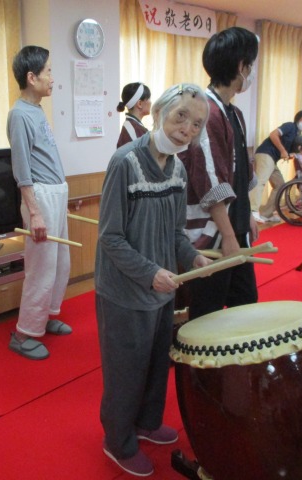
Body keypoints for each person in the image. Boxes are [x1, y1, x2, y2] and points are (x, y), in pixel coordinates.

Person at [96, 83, 212, 477]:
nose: (186, 129)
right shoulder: (124, 163)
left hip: (163, 289)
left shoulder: (178, 167)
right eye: (181, 117)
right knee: (126, 371)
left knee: (156, 364)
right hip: (125, 291)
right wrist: (150, 274)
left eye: (196, 124)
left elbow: (176, 233)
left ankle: (146, 423)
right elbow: (110, 238)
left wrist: (192, 256)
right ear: (159, 112)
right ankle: (117, 441)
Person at [178, 26, 260, 320]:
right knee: (208, 310)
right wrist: (228, 234)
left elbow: (240, 172)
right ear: (241, 66)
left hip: (234, 225)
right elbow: (211, 183)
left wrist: (246, 216)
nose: (251, 72)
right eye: (251, 64)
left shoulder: (233, 113)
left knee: (244, 301)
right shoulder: (207, 112)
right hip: (214, 232)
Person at [6, 45, 72, 360]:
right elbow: (22, 170)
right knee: (41, 268)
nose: (52, 78)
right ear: (32, 77)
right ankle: (23, 334)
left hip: (55, 194)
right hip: (41, 197)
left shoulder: (36, 109)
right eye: (48, 71)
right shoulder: (19, 114)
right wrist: (35, 213)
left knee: (60, 263)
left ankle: (43, 317)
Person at [250, 110, 302, 223]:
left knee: (280, 185)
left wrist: (289, 154)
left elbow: (289, 152)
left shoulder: (298, 136)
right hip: (265, 153)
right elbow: (273, 134)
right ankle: (252, 211)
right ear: (298, 119)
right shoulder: (290, 126)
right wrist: (283, 150)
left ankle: (266, 214)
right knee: (261, 181)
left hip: (273, 159)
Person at [116, 82, 152, 148]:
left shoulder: (133, 126)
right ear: (140, 104)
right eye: (149, 98)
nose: (151, 102)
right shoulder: (134, 129)